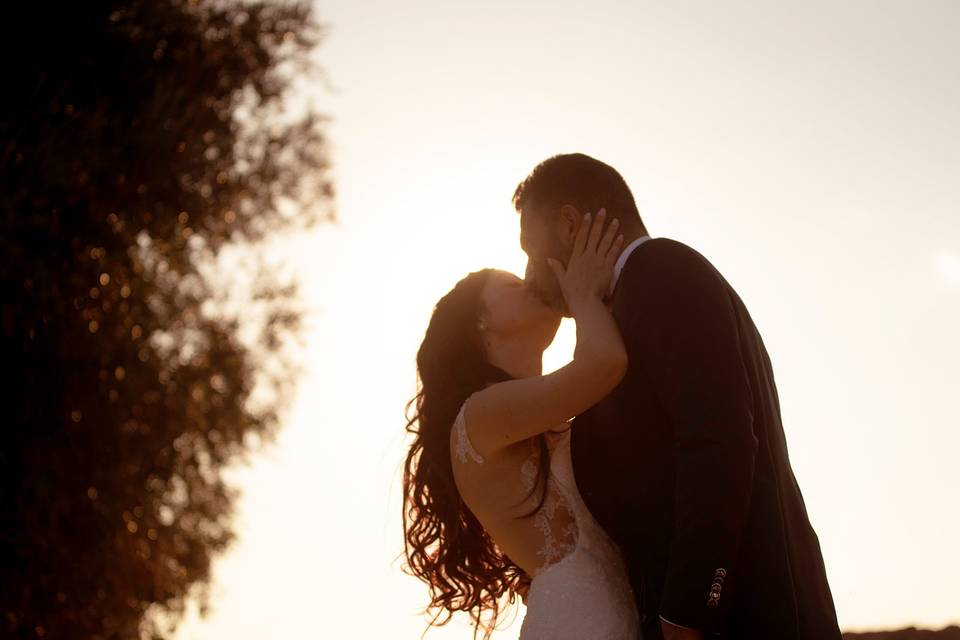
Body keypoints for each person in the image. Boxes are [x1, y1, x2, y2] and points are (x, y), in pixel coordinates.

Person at [514, 152, 843, 639]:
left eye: (528, 248)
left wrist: (688, 610)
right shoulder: (629, 302)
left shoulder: (661, 273)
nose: (527, 274)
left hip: (739, 618)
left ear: (567, 224)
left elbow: (720, 440)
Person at [402, 210, 642, 638]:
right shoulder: (480, 416)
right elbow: (605, 362)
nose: (532, 284)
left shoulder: (546, 415)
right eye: (513, 284)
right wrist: (584, 293)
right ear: (481, 321)